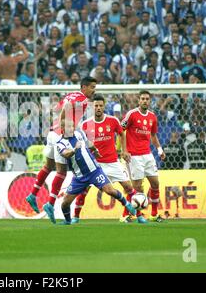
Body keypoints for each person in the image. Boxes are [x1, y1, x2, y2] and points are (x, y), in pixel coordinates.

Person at [25, 77, 96, 223]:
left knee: (48, 166)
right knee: (61, 172)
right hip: (59, 135)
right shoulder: (82, 99)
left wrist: (61, 123)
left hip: (52, 132)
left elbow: (56, 109)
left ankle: (32, 195)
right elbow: (65, 108)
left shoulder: (71, 94)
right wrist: (65, 129)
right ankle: (50, 204)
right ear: (84, 87)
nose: (94, 90)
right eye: (92, 87)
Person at [73, 94, 143, 224]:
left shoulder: (113, 120)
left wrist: (124, 150)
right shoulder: (85, 124)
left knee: (128, 187)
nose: (98, 108)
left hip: (112, 162)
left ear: (104, 106)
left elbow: (122, 134)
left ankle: (139, 215)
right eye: (96, 106)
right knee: (84, 190)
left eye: (100, 105)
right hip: (94, 164)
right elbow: (81, 143)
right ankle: (76, 217)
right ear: (91, 107)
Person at [56, 118, 136, 225]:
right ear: (62, 129)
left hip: (94, 171)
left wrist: (95, 150)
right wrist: (75, 149)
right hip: (79, 178)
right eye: (68, 127)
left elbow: (88, 143)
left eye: (71, 126)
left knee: (110, 190)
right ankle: (68, 221)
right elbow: (65, 154)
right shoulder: (60, 143)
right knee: (65, 203)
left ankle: (126, 204)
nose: (71, 128)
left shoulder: (79, 133)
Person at [121, 90, 166, 222]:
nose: (145, 101)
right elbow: (120, 130)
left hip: (147, 155)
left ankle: (154, 214)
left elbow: (153, 135)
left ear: (150, 101)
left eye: (147, 99)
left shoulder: (152, 116)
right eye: (142, 99)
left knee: (155, 183)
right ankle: (126, 215)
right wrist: (124, 151)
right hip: (133, 156)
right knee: (137, 187)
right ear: (139, 100)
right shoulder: (132, 114)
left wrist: (159, 150)